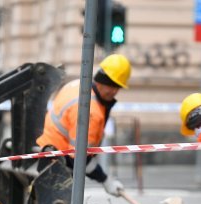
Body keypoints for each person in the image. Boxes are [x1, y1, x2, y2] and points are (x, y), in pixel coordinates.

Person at [36, 54, 131, 196]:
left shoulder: (78, 85)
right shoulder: (91, 112)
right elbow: (79, 159)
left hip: (43, 150)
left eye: (118, 87)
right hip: (56, 164)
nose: (114, 91)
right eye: (111, 85)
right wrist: (106, 180)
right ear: (100, 80)